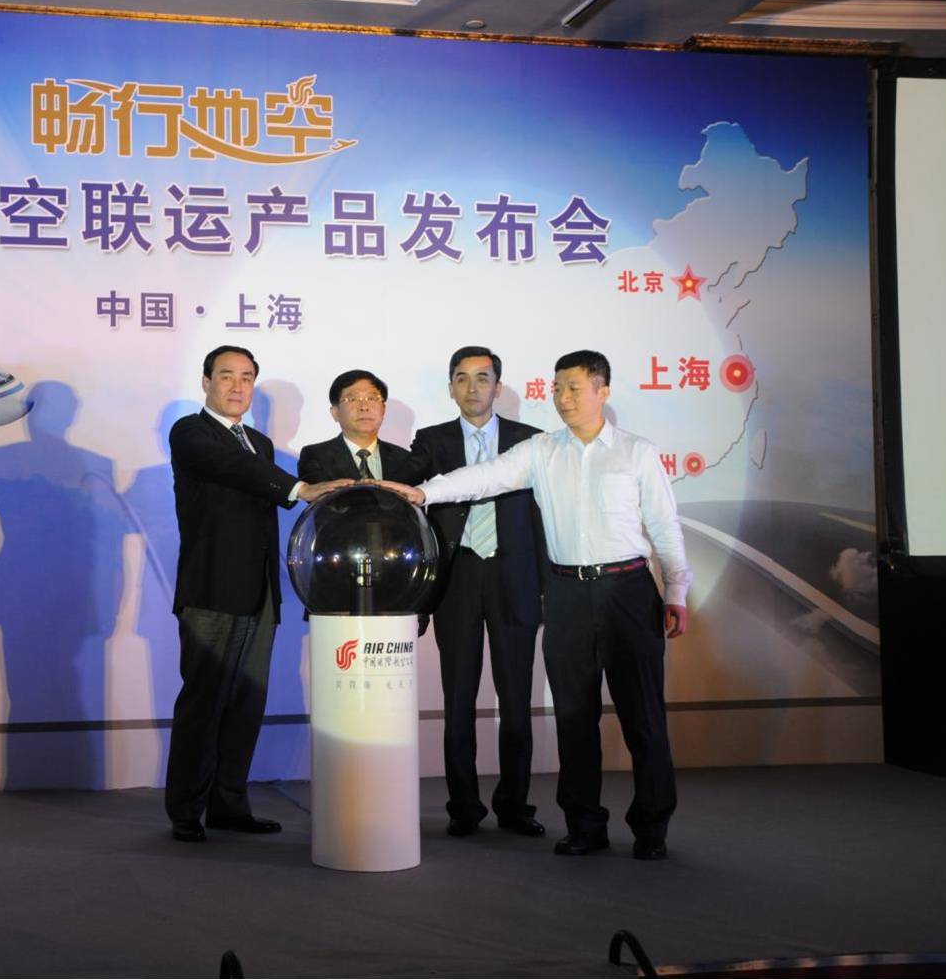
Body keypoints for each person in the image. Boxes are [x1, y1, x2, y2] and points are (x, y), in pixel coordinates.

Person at [380, 350, 690, 861]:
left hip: (628, 591)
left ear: (603, 392)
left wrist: (676, 590)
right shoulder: (541, 450)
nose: (563, 398)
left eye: (574, 388)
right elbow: (484, 476)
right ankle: (584, 824)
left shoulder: (636, 453)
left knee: (643, 717)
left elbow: (664, 526)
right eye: (557, 388)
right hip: (566, 593)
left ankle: (651, 826)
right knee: (574, 717)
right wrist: (422, 493)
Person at [166, 345, 348, 843]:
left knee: (246, 705)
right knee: (204, 702)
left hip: (260, 591)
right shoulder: (191, 432)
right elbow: (230, 467)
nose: (237, 386)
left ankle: (229, 804)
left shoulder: (261, 444)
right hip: (211, 589)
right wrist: (298, 488)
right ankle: (186, 809)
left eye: (247, 378)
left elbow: (255, 483)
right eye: (226, 376)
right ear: (206, 382)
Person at [400, 347, 548, 840]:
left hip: (515, 576)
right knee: (458, 698)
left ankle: (515, 805)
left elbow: (545, 518)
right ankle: (463, 806)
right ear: (450, 388)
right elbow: (406, 485)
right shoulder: (432, 441)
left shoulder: (532, 440)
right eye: (461, 378)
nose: (472, 388)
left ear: (498, 387)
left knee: (517, 699)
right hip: (458, 578)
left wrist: (546, 585)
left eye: (482, 378)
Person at [298, 369, 410, 485]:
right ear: (335, 413)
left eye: (372, 398)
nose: (364, 407)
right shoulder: (316, 456)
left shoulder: (404, 458)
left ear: (384, 410)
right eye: (352, 399)